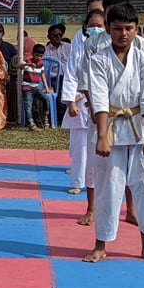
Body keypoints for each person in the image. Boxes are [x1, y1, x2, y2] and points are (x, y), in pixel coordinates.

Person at [84, 3, 144, 264]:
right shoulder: (99, 60)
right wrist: (101, 136)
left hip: (138, 128)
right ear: (108, 29)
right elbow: (98, 98)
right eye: (117, 28)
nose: (123, 34)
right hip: (110, 128)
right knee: (108, 188)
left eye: (128, 28)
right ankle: (101, 245)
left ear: (136, 29)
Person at [61, 11, 104, 196]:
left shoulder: (111, 46)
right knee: (80, 147)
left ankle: (101, 184)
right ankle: (78, 182)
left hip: (103, 102)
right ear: (85, 26)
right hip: (81, 100)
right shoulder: (79, 43)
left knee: (102, 146)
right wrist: (71, 102)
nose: (95, 29)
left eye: (99, 26)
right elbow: (71, 73)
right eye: (92, 25)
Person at [18, 44, 52, 131]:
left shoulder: (41, 64)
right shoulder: (28, 61)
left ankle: (45, 117)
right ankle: (31, 122)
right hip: (27, 88)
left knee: (46, 99)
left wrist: (47, 88)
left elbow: (43, 76)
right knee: (28, 105)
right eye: (36, 55)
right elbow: (18, 66)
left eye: (41, 56)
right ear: (32, 54)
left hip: (36, 88)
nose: (38, 58)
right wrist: (28, 64)